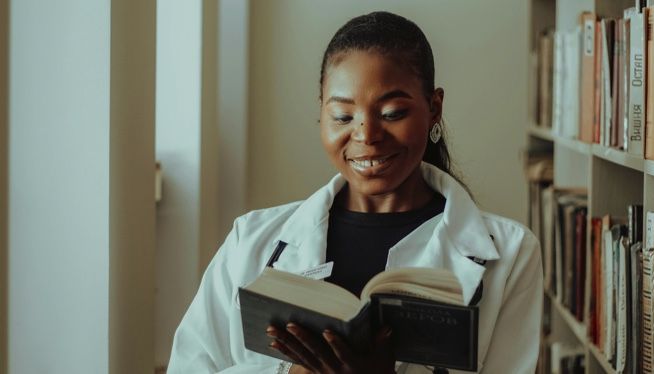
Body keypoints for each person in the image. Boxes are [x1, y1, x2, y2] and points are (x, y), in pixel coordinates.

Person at [168, 11, 542, 374]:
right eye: (344, 117)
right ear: (322, 114)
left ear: (434, 108)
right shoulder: (250, 239)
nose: (366, 135)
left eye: (393, 112)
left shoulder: (511, 254)